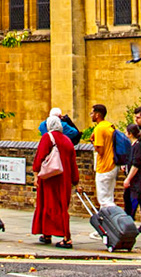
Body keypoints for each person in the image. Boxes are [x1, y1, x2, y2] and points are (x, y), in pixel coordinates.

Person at [31, 111, 79, 247]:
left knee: (46, 205)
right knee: (61, 206)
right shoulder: (67, 140)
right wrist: (76, 181)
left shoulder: (47, 137)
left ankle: (59, 237)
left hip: (49, 179)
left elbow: (39, 158)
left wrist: (36, 175)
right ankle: (56, 234)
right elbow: (73, 163)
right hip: (64, 180)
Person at [88, 104, 122, 208]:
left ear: (97, 115)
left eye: (92, 113)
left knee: (104, 200)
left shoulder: (99, 128)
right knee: (109, 197)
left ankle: (108, 221)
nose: (91, 115)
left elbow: (100, 150)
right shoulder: (110, 126)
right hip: (113, 164)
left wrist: (93, 142)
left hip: (104, 167)